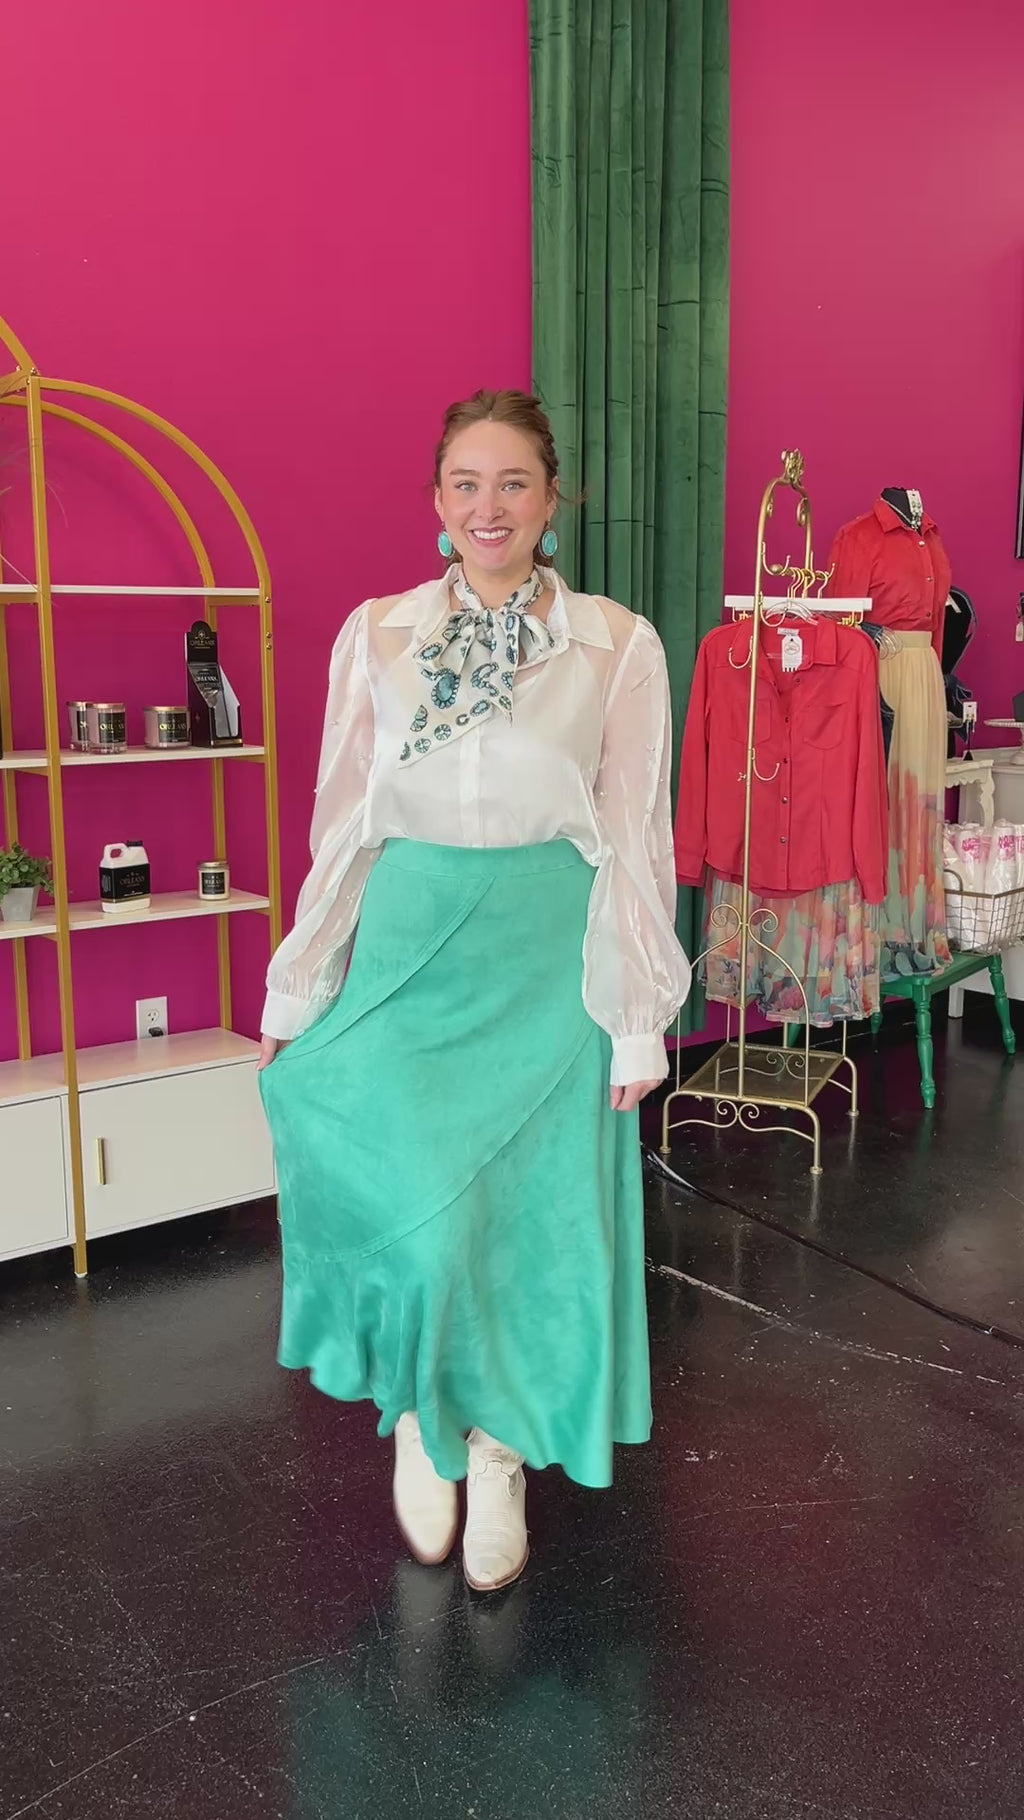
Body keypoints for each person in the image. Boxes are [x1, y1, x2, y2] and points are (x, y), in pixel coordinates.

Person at [257, 389, 691, 1593]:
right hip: (407, 947)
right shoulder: (378, 633)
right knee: (423, 1216)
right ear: (436, 500)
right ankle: (419, 1416)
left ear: (552, 500)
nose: (486, 506)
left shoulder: (617, 644)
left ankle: (496, 1451)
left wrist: (635, 1017)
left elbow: (633, 835)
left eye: (511, 483)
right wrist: (299, 989)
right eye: (464, 483)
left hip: (547, 959)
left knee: (523, 1224)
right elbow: (343, 823)